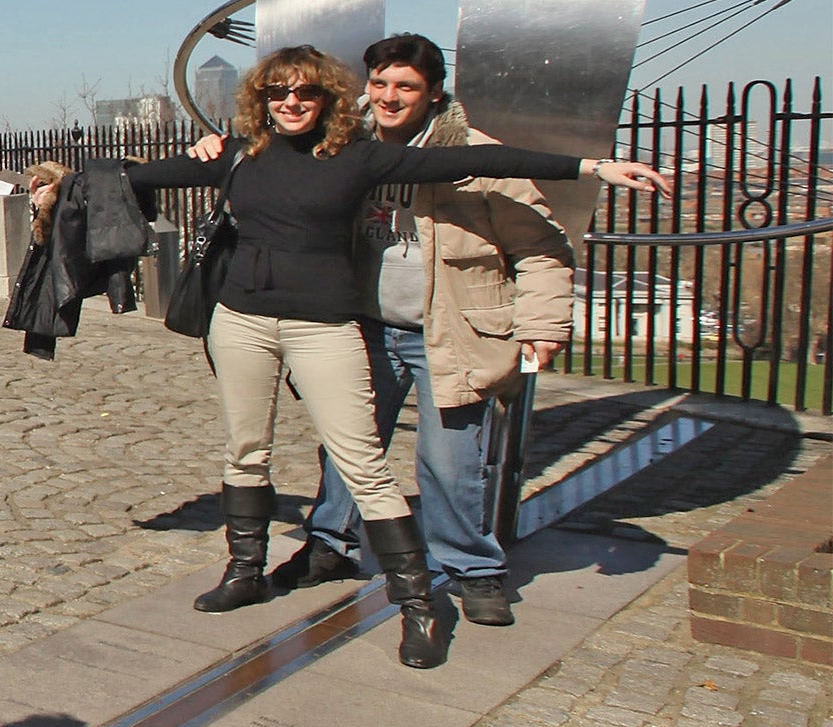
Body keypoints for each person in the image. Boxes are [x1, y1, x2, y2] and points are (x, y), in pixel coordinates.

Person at [92, 44, 667, 668]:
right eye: (278, 92)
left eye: (306, 93)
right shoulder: (238, 156)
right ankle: (246, 569)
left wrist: (592, 167)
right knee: (245, 448)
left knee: (364, 462)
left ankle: (419, 604)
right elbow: (135, 178)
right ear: (260, 100)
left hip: (330, 326)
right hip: (241, 323)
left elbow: (493, 158)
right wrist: (66, 180)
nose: (291, 102)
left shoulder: (359, 157)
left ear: (329, 101)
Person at [265, 35, 575, 627]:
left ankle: (472, 568)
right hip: (364, 328)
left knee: (451, 458)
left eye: (405, 86)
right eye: (378, 84)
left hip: (452, 332)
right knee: (349, 449)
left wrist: (542, 322)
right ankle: (331, 545)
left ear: (434, 92)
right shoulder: (339, 148)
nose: (388, 97)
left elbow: (540, 246)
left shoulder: (475, 157)